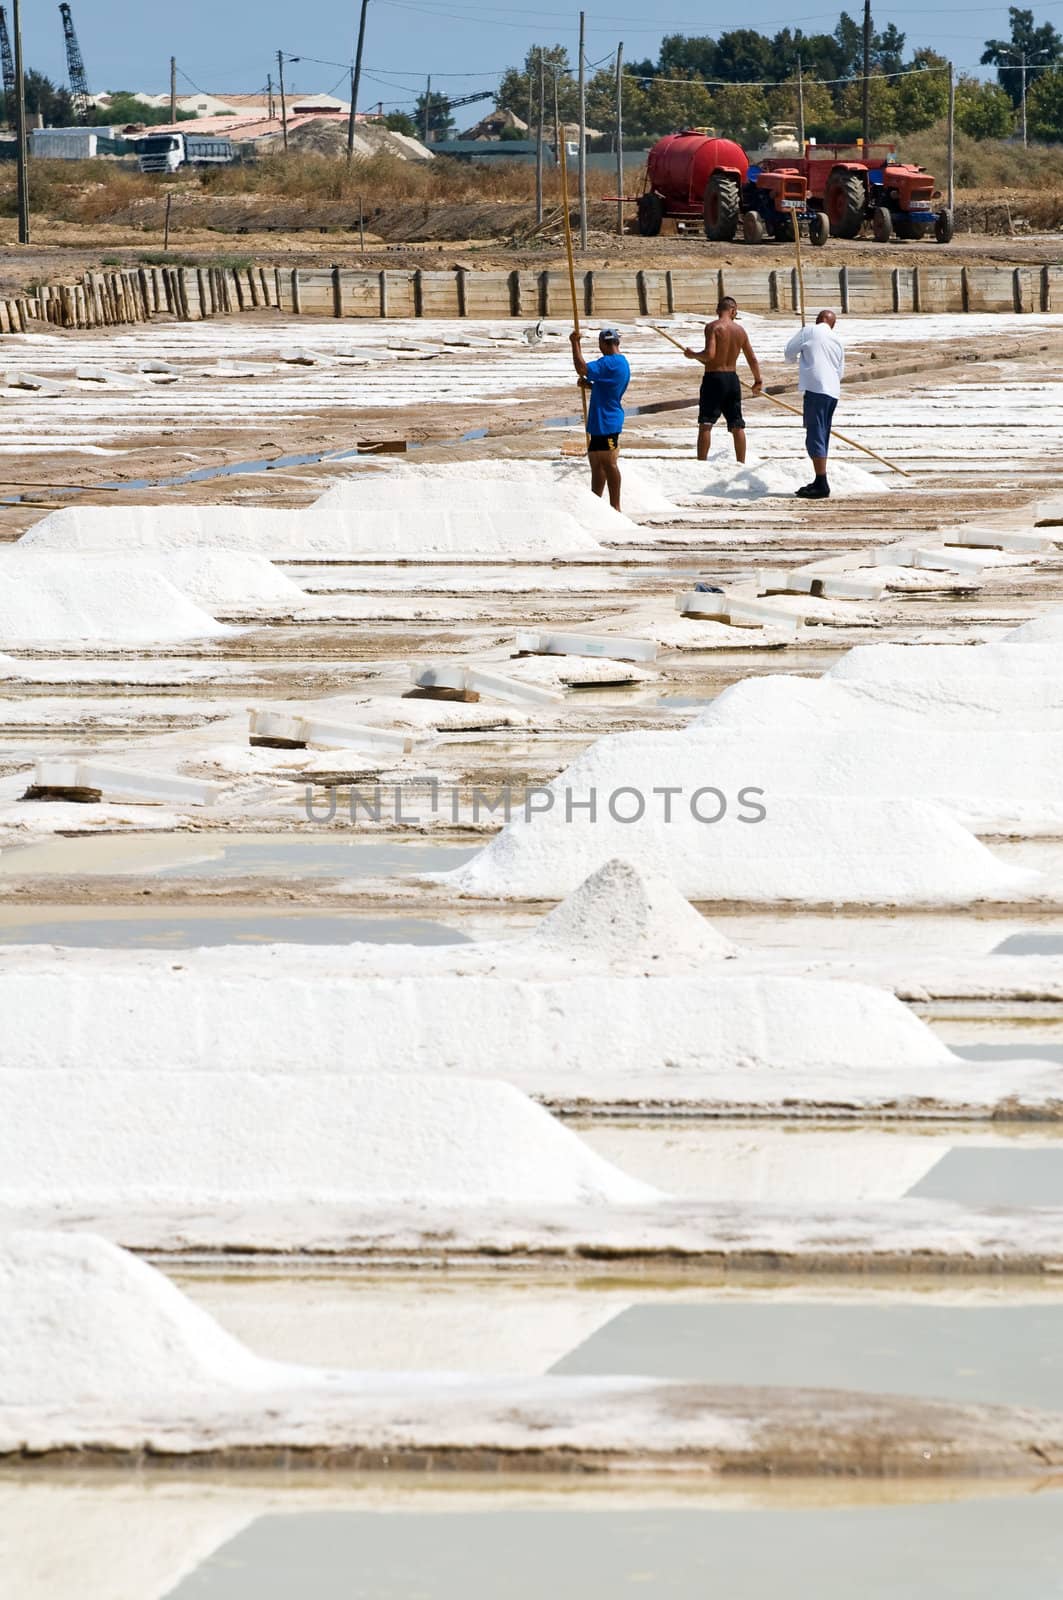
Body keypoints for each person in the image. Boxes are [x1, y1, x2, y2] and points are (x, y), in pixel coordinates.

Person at [684, 297, 763, 463]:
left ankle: (701, 463)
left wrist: (693, 355)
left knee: (706, 423)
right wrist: (758, 380)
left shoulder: (713, 327)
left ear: (718, 310)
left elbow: (709, 355)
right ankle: (741, 462)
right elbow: (752, 359)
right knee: (737, 424)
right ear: (733, 311)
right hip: (732, 379)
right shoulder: (740, 331)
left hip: (714, 378)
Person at [784, 308, 845, 500]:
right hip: (832, 392)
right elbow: (840, 371)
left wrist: (797, 356)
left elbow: (788, 352)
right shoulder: (837, 340)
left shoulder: (809, 330)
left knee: (815, 433)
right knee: (822, 432)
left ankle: (821, 482)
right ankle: (820, 480)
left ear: (818, 320)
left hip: (817, 389)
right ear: (832, 324)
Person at [569, 326, 630, 512]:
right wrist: (590, 386)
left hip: (608, 421)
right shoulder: (620, 363)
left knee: (609, 463)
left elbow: (582, 367)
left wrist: (575, 344)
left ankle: (615, 507)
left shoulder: (610, 363)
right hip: (598, 420)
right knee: (596, 464)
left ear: (603, 343)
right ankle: (596, 504)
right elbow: (608, 387)